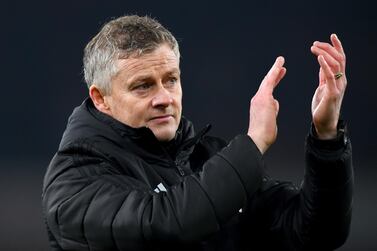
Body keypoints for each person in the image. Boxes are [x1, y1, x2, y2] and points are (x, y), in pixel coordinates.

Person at [42, 15, 353, 251]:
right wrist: (254, 141)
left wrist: (327, 137)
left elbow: (317, 232)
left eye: (171, 80)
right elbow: (166, 225)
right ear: (101, 98)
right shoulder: (74, 178)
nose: (164, 97)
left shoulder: (208, 158)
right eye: (143, 85)